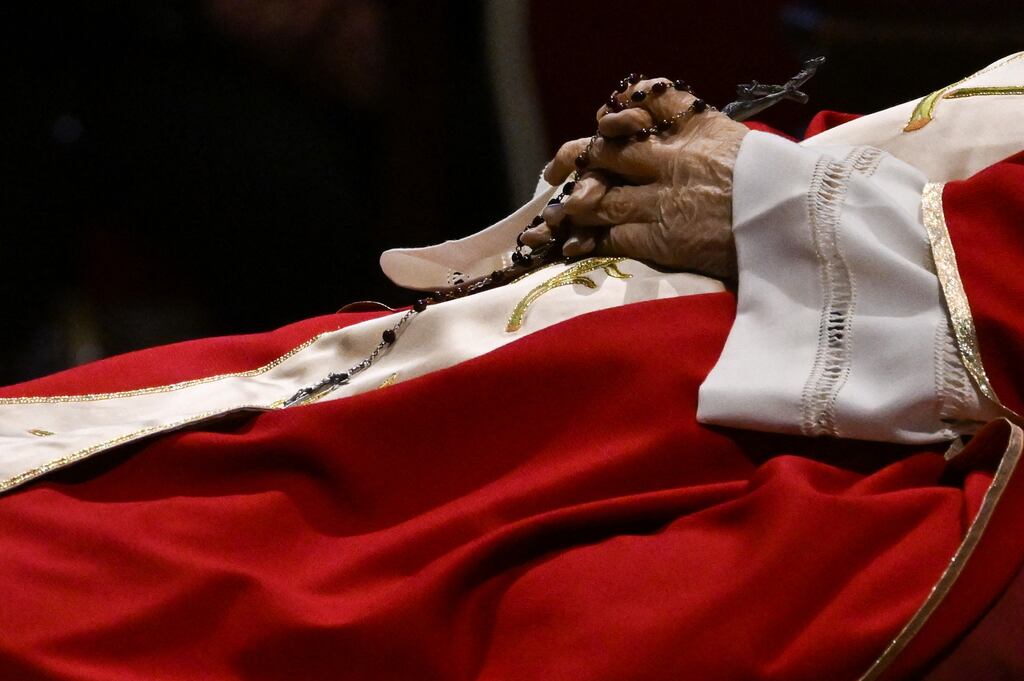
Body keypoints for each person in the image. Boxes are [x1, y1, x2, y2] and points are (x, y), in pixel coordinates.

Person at [1, 53, 1023, 680]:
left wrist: (775, 205)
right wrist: (761, 169)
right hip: (713, 330)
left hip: (865, 437)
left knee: (237, 587)